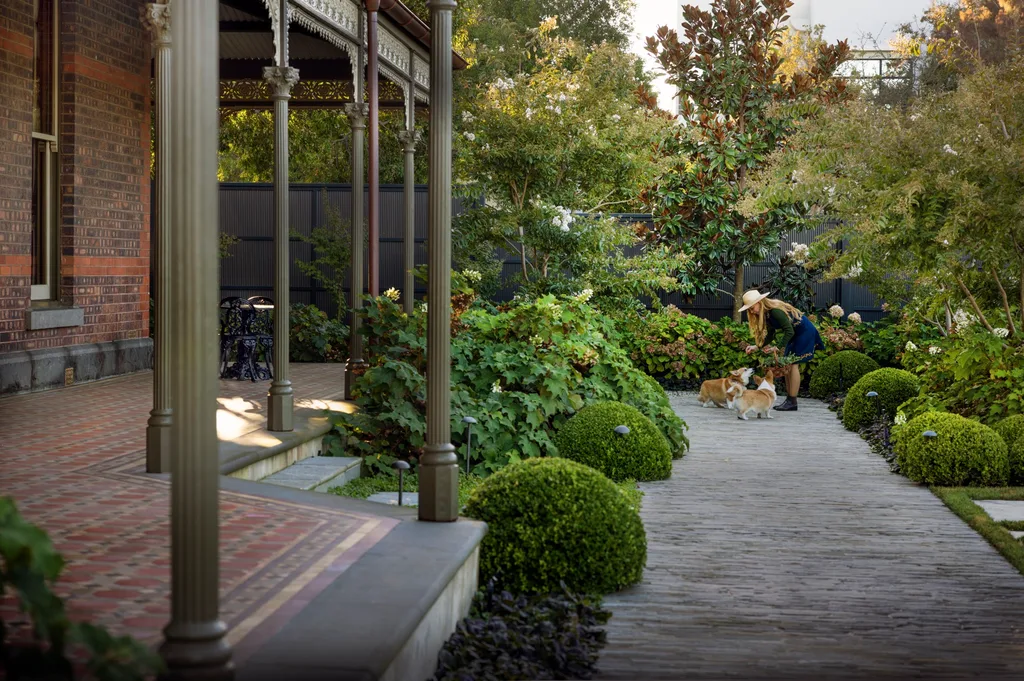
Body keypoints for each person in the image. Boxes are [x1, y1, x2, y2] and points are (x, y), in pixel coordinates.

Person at [738, 289, 825, 412]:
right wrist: (757, 346)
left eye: (752, 307)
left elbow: (789, 331)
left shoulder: (775, 312)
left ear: (760, 302)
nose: (752, 311)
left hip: (804, 333)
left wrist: (777, 347)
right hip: (795, 334)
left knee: (793, 365)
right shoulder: (767, 314)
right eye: (749, 309)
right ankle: (790, 400)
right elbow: (771, 335)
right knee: (788, 365)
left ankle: (792, 401)